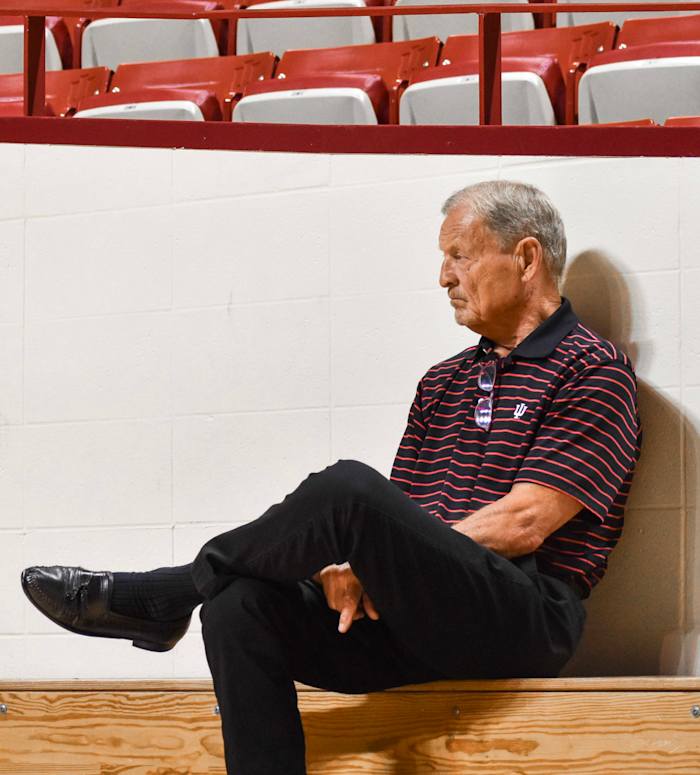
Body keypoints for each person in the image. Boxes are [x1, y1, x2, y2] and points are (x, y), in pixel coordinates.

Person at [21, 180, 642, 775]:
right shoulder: (442, 382)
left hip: (523, 616)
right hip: (413, 620)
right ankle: (195, 598)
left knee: (347, 489)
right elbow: (396, 520)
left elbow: (527, 521)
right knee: (238, 605)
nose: (444, 277)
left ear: (526, 257)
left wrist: (381, 550)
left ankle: (170, 592)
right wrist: (345, 566)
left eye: (459, 255)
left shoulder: (594, 370)